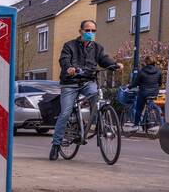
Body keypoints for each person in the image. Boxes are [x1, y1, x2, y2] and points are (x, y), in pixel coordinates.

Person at [50, 20, 123, 160]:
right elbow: (64, 60)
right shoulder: (69, 46)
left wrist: (115, 64)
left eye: (93, 31)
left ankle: (101, 123)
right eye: (87, 30)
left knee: (97, 97)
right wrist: (69, 68)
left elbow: (104, 60)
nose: (90, 33)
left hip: (88, 81)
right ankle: (56, 144)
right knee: (65, 113)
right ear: (81, 31)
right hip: (70, 83)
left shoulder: (97, 48)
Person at [128, 55, 162, 130]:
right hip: (154, 92)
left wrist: (129, 87)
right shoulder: (159, 71)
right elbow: (160, 83)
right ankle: (149, 123)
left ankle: (136, 125)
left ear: (146, 62)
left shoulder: (142, 71)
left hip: (143, 93)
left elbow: (136, 83)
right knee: (150, 105)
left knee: (139, 108)